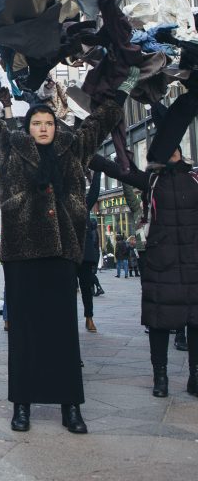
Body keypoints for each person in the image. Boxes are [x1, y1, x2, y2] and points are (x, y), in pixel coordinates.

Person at [0, 86, 123, 434]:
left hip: (61, 251)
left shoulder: (72, 149)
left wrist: (123, 86)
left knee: (63, 333)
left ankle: (71, 407)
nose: (43, 128)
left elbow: (100, 123)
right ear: (28, 127)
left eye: (48, 123)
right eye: (36, 123)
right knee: (24, 333)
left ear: (56, 126)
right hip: (22, 253)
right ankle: (22, 405)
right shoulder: (10, 147)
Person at [90, 143, 198, 399]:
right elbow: (117, 171)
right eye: (166, 145)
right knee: (159, 320)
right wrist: (88, 153)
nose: (172, 150)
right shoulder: (151, 180)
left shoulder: (194, 179)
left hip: (193, 260)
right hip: (162, 261)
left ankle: (195, 376)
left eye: (175, 147)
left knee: (196, 320)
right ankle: (160, 376)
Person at [79, 171, 102, 333]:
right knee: (66, 289)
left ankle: (89, 317)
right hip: (67, 252)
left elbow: (94, 191)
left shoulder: (84, 204)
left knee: (86, 287)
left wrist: (98, 172)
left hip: (84, 254)